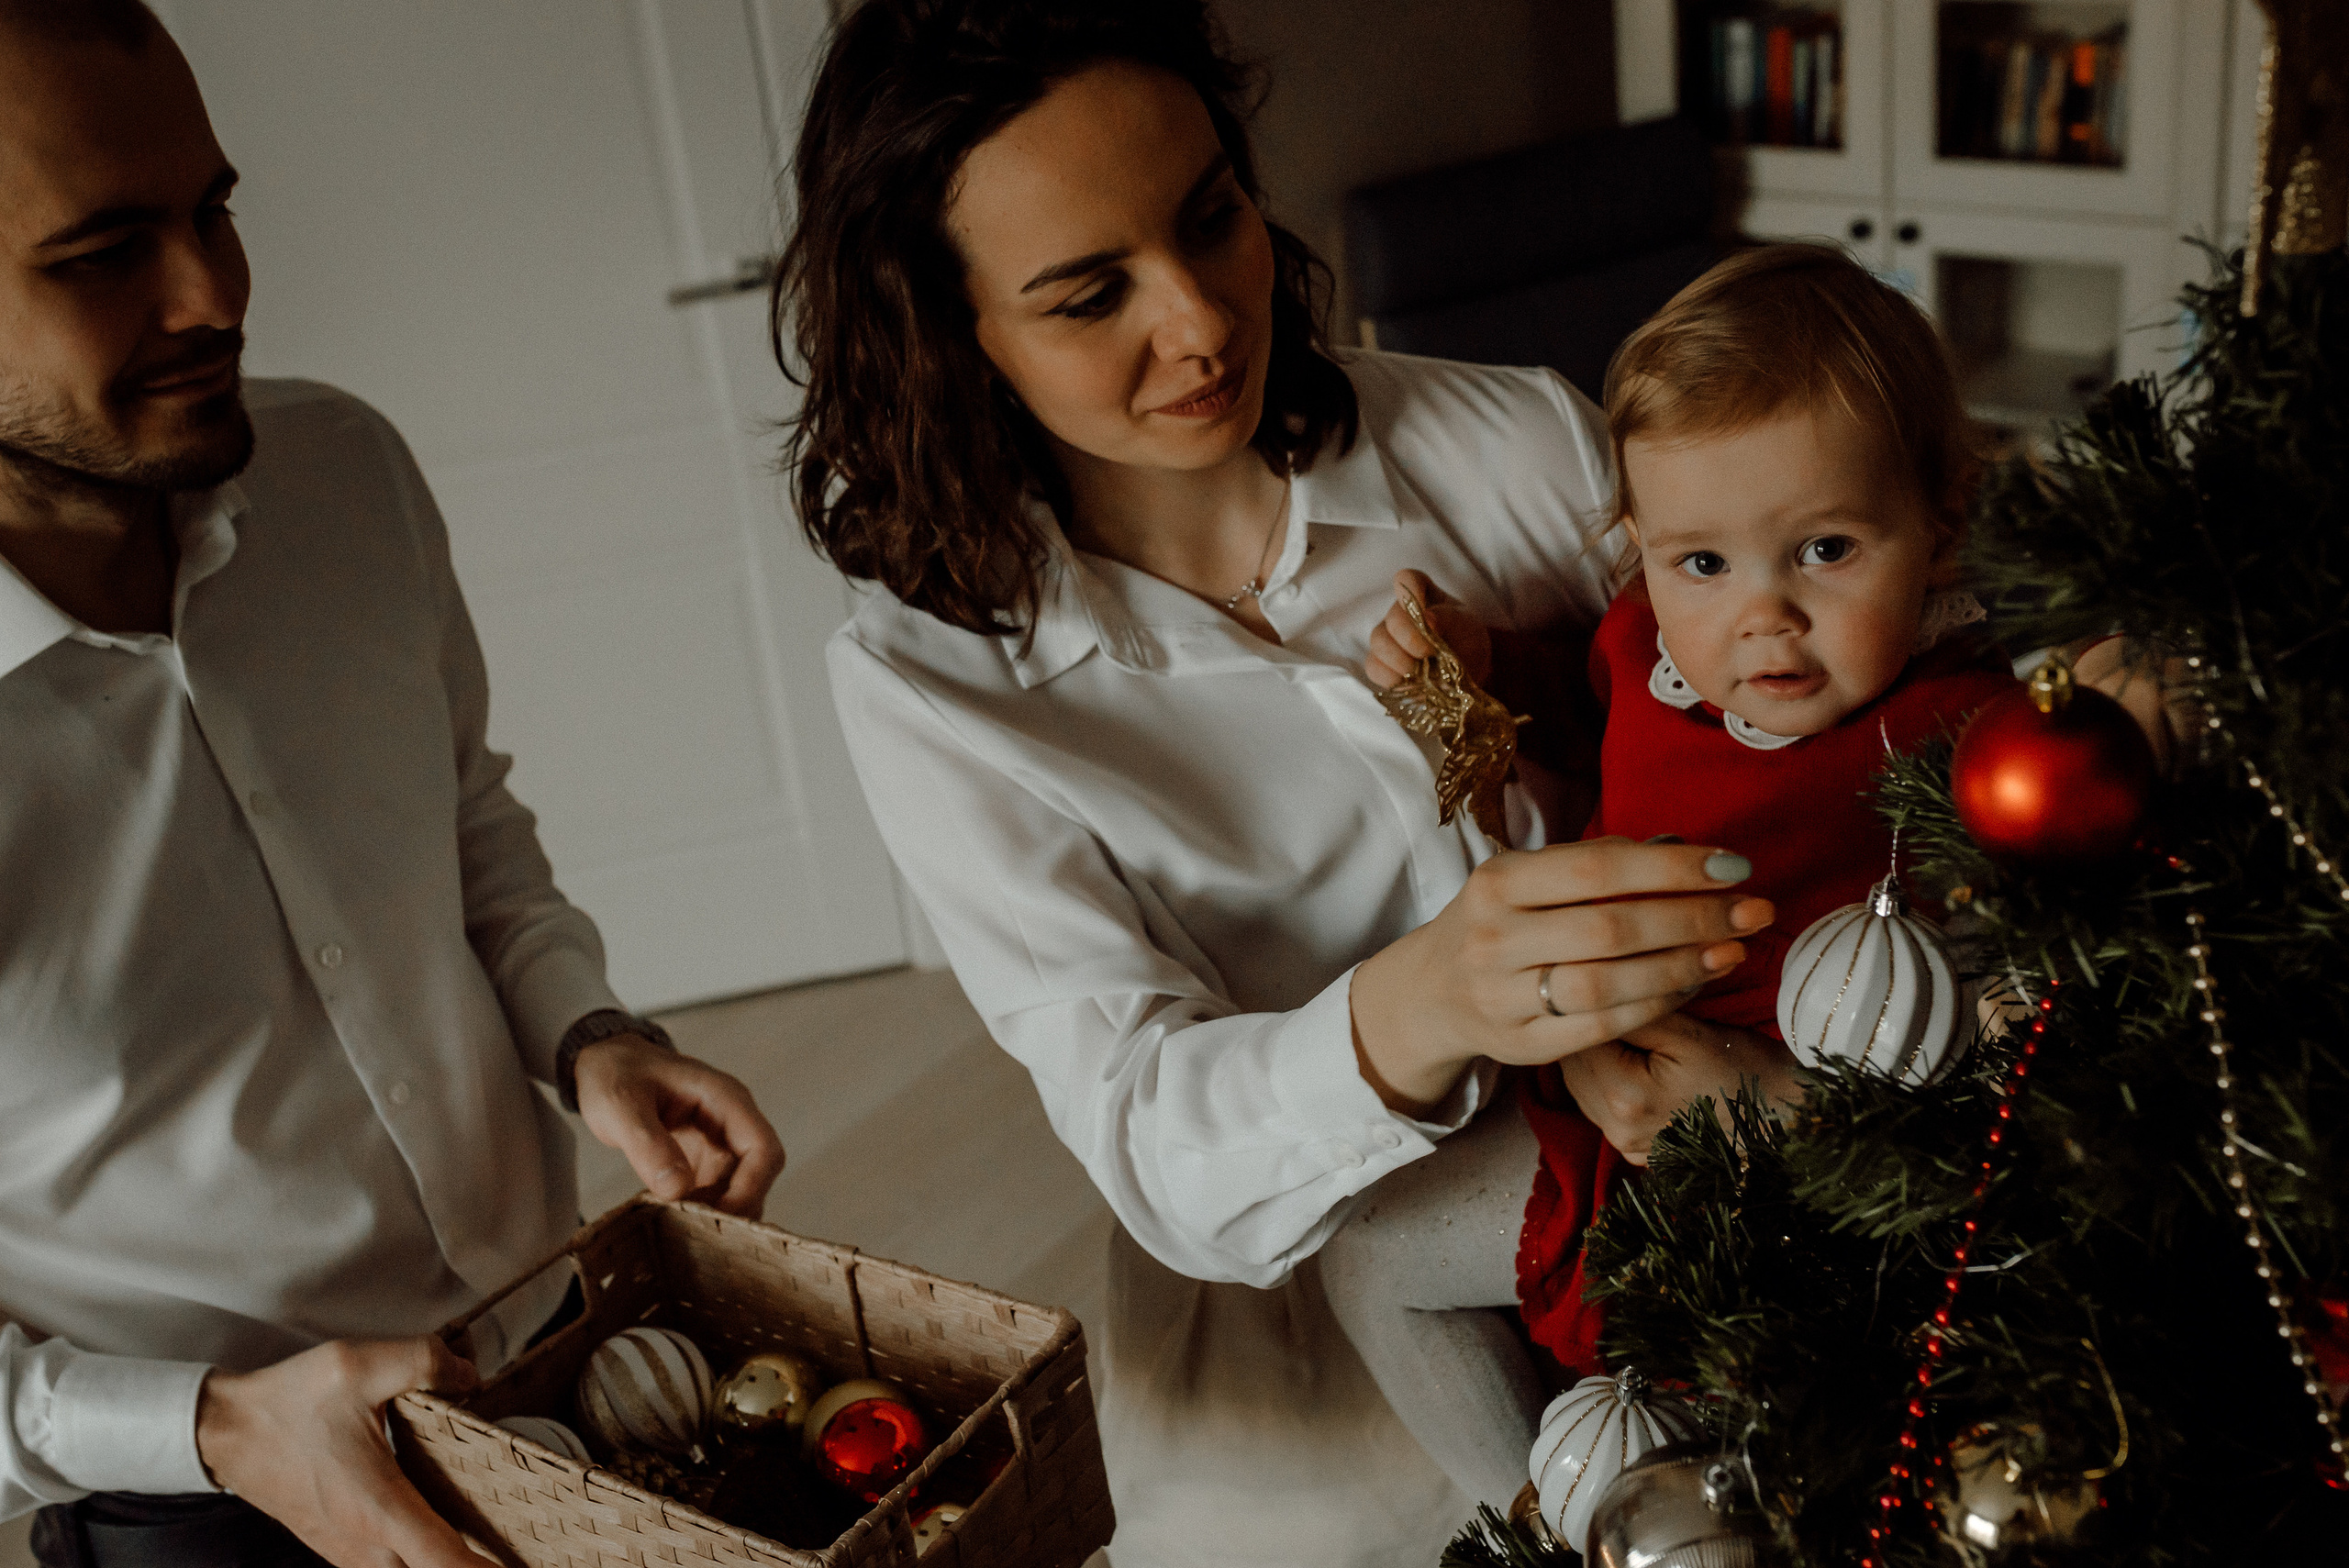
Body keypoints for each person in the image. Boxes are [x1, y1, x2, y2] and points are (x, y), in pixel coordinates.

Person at [780, 3, 1798, 1560]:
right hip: (1318, 1402)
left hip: (1704, 1236)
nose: (1198, 321)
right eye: (1087, 293)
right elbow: (1146, 1139)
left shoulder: (1512, 442)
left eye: (1210, 216)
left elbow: (1754, 723)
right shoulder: (929, 684)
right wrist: (1430, 1003)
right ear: (948, 330)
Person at [0, 7, 785, 1567]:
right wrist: (227, 1428)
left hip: (574, 1347)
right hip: (222, 1503)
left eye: (215, 210)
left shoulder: (343, 472)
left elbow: (469, 833)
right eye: (100, 253)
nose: (210, 294)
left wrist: (590, 1034)